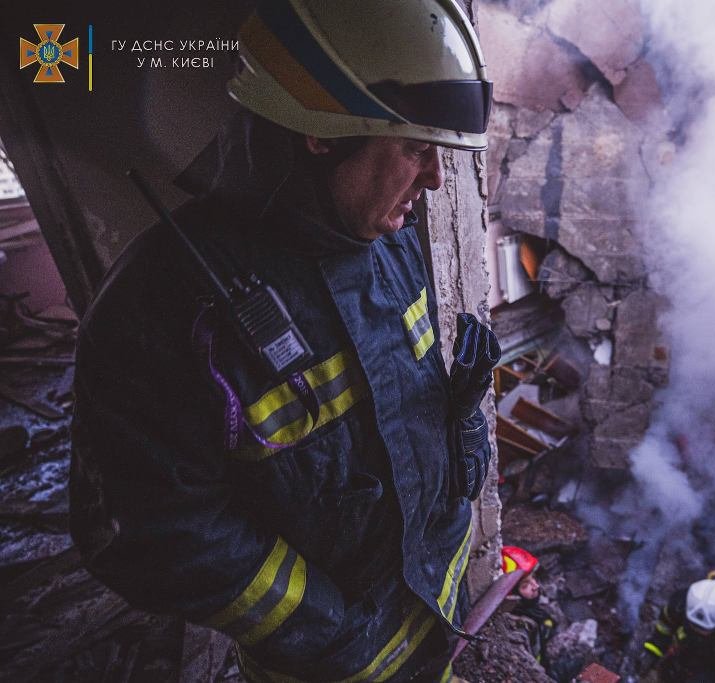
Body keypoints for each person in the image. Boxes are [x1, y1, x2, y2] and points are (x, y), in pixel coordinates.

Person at [69, 2, 496, 681]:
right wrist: (339, 634)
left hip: (435, 633)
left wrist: (462, 426)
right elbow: (152, 532)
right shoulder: (159, 306)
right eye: (417, 149)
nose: (437, 179)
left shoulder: (387, 235)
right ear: (321, 136)